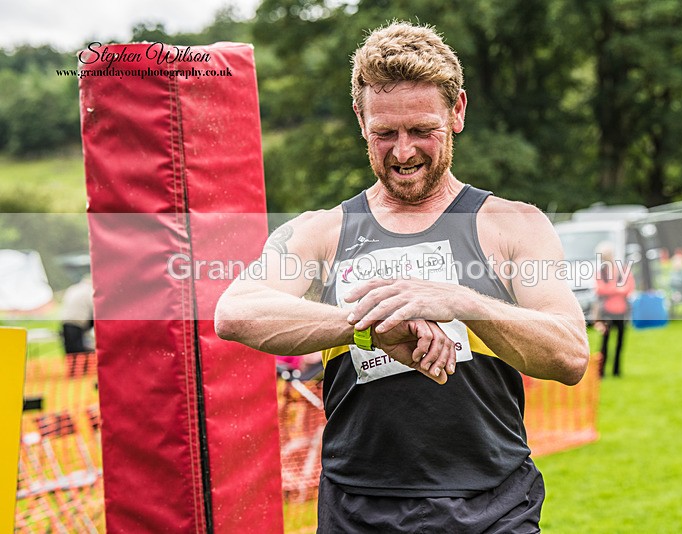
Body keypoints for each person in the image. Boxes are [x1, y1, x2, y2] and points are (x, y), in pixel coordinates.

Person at [215, 22, 589, 532]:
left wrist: (459, 299)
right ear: (360, 119)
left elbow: (569, 355)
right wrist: (373, 322)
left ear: (457, 111)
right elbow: (235, 312)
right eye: (385, 133)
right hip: (358, 510)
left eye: (422, 131)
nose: (404, 151)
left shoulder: (512, 225)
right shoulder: (323, 232)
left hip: (492, 509)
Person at [593, 242, 635, 377]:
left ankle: (617, 371)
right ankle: (601, 372)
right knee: (604, 343)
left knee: (620, 343)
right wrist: (617, 289)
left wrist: (611, 290)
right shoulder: (601, 273)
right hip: (606, 313)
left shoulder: (623, 271)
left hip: (622, 312)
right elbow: (600, 289)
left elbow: (629, 288)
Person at [60, 274, 94, 354]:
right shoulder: (90, 291)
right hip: (78, 324)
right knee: (79, 354)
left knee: (70, 353)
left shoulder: (73, 288)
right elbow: (93, 310)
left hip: (65, 322)